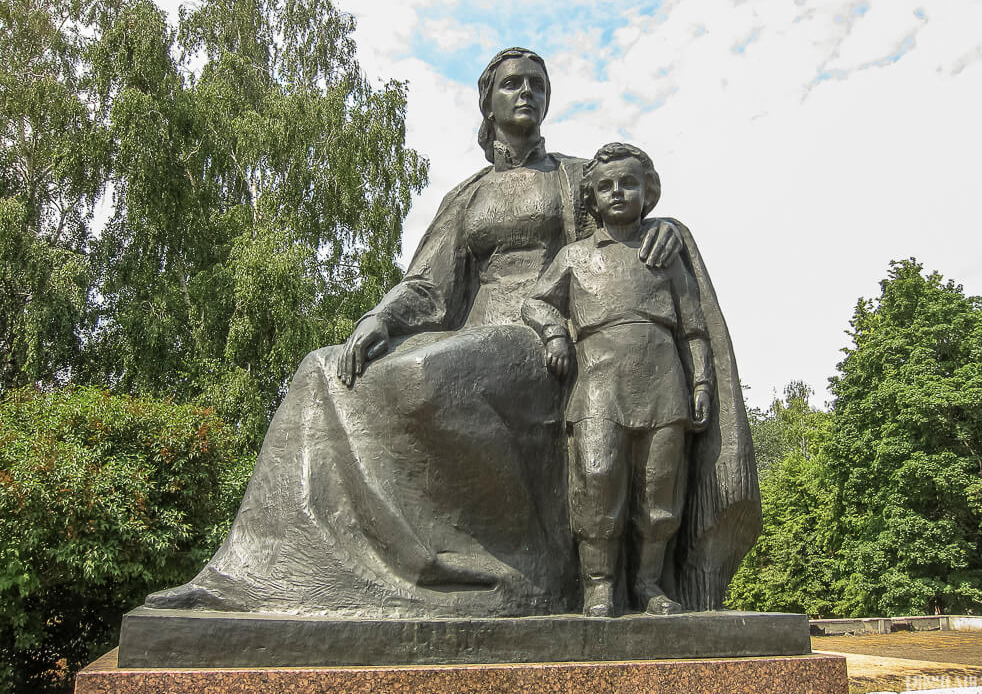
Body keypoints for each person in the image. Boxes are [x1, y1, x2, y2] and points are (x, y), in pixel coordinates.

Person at [144, 48, 756, 618]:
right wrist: (379, 318)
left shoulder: (576, 177)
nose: (527, 94)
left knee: (417, 374)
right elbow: (428, 285)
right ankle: (260, 575)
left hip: (546, 338)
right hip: (475, 331)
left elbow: (628, 224)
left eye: (537, 85)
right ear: (487, 102)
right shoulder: (467, 195)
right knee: (324, 370)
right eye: (512, 84)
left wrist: (671, 227)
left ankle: (492, 571)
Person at [524, 143, 713, 617]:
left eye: (628, 183)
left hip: (663, 382)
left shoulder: (663, 252)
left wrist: (703, 383)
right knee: (597, 481)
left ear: (647, 191)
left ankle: (648, 585)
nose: (617, 193)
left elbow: (693, 325)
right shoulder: (574, 257)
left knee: (660, 492)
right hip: (598, 385)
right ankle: (600, 586)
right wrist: (554, 335)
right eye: (605, 186)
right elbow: (536, 302)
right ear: (591, 197)